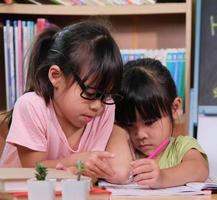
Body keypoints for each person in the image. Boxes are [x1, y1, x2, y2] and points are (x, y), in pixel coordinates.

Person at [0, 21, 132, 183]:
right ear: (56, 76)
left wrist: (86, 169)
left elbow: (93, 171)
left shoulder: (105, 110)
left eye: (105, 96)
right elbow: (34, 171)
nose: (97, 106)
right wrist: (76, 162)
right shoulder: (31, 106)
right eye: (90, 93)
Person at [115, 58, 209, 188]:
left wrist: (163, 177)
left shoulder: (181, 146)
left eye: (150, 122)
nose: (140, 134)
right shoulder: (123, 148)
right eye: (129, 124)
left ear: (175, 108)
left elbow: (200, 169)